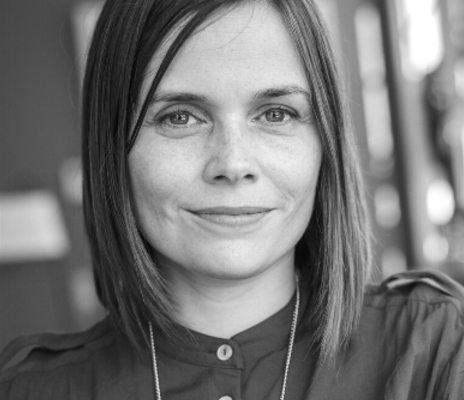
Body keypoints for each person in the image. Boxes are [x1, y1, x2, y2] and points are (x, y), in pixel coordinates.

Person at [1, 0, 463, 398]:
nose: (233, 162)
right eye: (180, 117)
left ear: (326, 142)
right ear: (113, 147)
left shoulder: (436, 346)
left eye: (276, 114)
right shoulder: (27, 388)